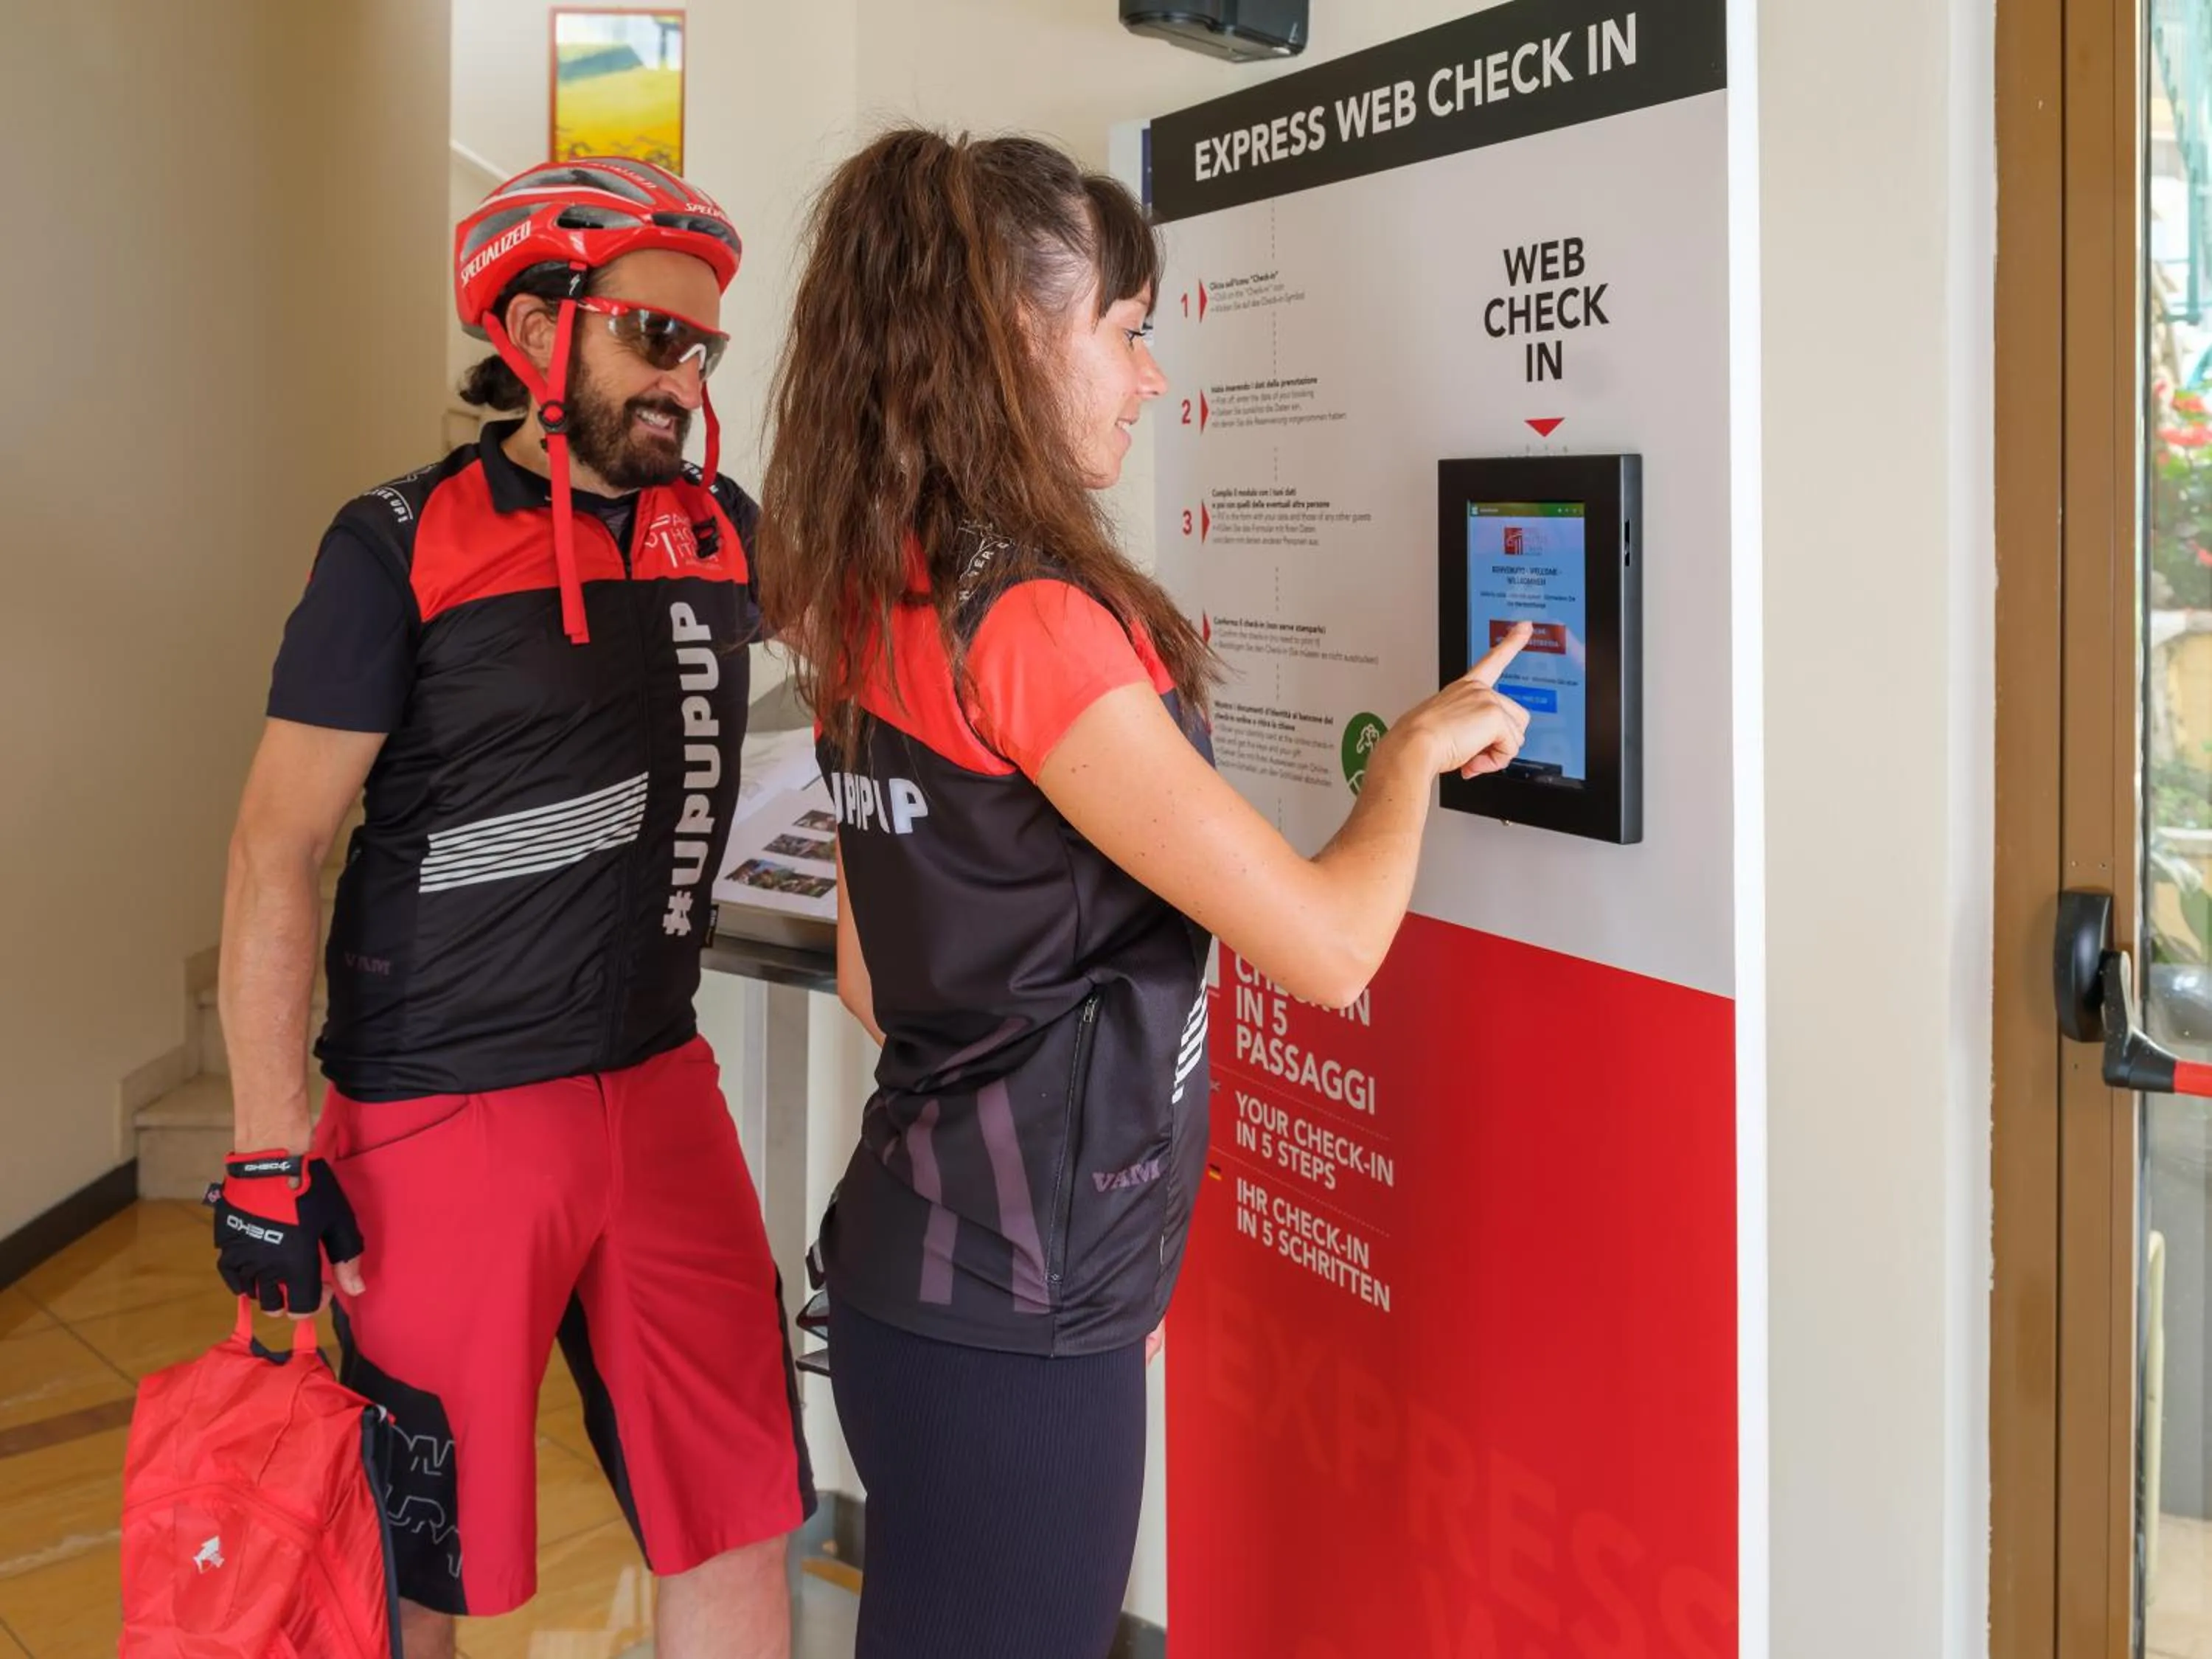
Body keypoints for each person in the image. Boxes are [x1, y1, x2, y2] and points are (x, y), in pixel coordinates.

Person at [757, 128, 1531, 1659]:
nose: (1148, 377)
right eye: (1125, 332)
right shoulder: (1033, 623)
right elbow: (1325, 945)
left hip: (921, 1293)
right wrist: (1418, 758)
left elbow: (871, 973)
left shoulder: (878, 593)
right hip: (1021, 1330)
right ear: (1019, 336)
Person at [209, 158, 813, 1659]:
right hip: (442, 1122)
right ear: (538, 331)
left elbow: (896, 639)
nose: (684, 379)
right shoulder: (397, 541)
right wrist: (267, 1155)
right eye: (651, 340)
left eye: (704, 351)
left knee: (739, 1511)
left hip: (662, 1092)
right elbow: (276, 849)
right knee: (419, 1567)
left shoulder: (724, 529)